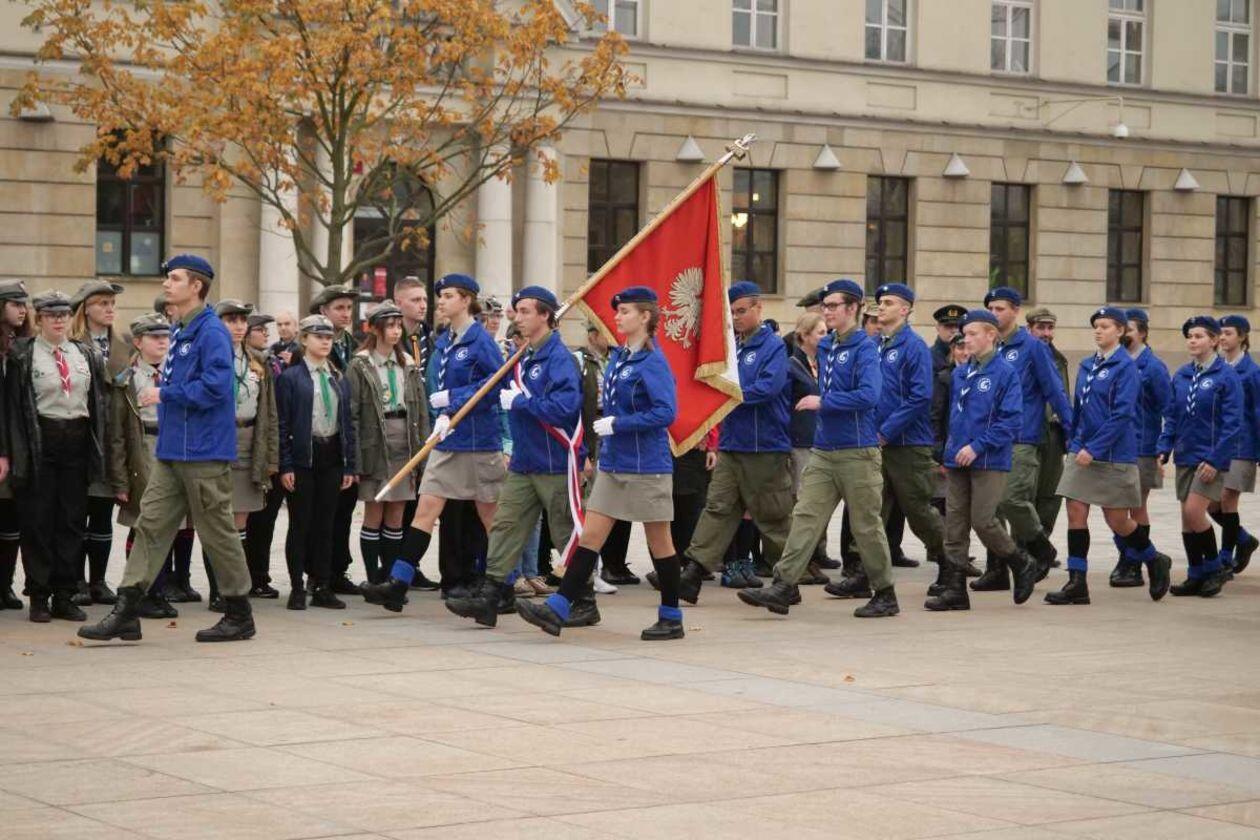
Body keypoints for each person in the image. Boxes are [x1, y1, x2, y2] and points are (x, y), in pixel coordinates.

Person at [79, 254, 258, 643]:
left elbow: (216, 387)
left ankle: (238, 612)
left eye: (174, 278)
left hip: (204, 451)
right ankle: (127, 610)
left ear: (196, 286)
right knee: (150, 526)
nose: (166, 283)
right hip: (173, 449)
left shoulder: (211, 332)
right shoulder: (182, 328)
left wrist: (165, 393)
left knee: (217, 532)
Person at [412, 286, 588, 626]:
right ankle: (493, 596)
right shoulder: (524, 355)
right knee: (505, 525)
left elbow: (565, 408)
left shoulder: (558, 358)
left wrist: (521, 403)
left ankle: (584, 599)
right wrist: (453, 403)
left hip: (554, 460)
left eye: (525, 311)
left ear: (545, 316)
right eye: (517, 311)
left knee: (565, 531)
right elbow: (490, 386)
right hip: (524, 460)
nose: (516, 317)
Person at [512, 286, 681, 640]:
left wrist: (620, 423)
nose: (617, 317)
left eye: (625, 311)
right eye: (618, 311)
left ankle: (671, 616)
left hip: (647, 466)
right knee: (590, 536)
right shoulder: (620, 358)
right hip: (615, 462)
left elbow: (666, 412)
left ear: (645, 317)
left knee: (660, 542)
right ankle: (559, 608)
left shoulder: (653, 362)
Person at [737, 278, 898, 619]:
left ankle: (885, 592)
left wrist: (823, 402)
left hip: (857, 450)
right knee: (805, 517)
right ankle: (784, 584)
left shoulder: (865, 348)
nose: (827, 311)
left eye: (833, 305)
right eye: (825, 306)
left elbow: (869, 395)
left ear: (853, 308)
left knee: (865, 525)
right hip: (824, 449)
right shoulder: (828, 346)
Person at [363, 274, 504, 592]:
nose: (440, 301)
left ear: (466, 300)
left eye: (448, 296)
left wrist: (454, 400)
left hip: (478, 441)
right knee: (426, 508)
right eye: (440, 295)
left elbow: (497, 384)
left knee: (489, 516)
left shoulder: (481, 341)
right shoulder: (444, 341)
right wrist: (442, 415)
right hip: (446, 438)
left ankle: (504, 584)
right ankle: (399, 583)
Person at [662, 281, 795, 605]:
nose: (736, 317)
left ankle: (788, 581)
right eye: (732, 312)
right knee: (717, 509)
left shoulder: (773, 347)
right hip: (733, 444)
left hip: (764, 445)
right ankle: (692, 574)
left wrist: (729, 395)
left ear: (759, 309)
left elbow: (768, 387)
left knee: (773, 516)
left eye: (742, 311)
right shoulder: (731, 347)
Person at [1043, 307, 1172, 606]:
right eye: (1096, 326)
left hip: (1113, 453)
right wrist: (1075, 442)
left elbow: (1122, 414)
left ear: (1120, 331)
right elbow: (1080, 408)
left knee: (1117, 520)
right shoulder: (1088, 364)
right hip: (1082, 450)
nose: (1098, 331)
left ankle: (1154, 559)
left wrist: (1094, 448)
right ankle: (1077, 582)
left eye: (1105, 326)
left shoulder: (1126, 367)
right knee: (1075, 511)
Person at [4, 290, 108, 623]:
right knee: (37, 522)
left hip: (77, 440)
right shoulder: (24, 355)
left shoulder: (83, 353)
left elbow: (96, 403)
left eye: (64, 314)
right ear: (40, 318)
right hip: (40, 441)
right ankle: (39, 595)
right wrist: (14, 454)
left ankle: (65, 594)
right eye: (51, 315)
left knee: (72, 522)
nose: (59, 320)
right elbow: (13, 410)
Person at [924, 309, 1034, 611]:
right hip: (957, 459)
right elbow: (954, 417)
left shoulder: (1004, 373)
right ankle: (956, 589)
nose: (966, 339)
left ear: (991, 335)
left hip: (988, 459)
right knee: (954, 525)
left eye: (973, 334)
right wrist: (947, 452)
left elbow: (1011, 421)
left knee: (983, 520)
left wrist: (977, 446)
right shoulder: (961, 372)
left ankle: (1020, 561)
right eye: (964, 334)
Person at [976, 286, 1072, 591]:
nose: (994, 314)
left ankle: (1040, 549)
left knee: (1012, 499)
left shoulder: (1032, 347)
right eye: (990, 308)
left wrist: (1073, 433)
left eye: (1000, 308)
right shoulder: (987, 346)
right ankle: (998, 570)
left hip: (1023, 435)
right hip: (990, 439)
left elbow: (1055, 390)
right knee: (991, 509)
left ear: (1016, 311)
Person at [866, 283, 948, 585]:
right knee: (872, 510)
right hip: (876, 442)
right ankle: (866, 572)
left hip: (908, 444)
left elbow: (919, 396)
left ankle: (951, 563)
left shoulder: (913, 346)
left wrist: (887, 431)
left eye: (888, 302)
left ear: (905, 309)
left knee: (918, 511)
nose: (881, 307)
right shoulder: (873, 344)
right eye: (880, 302)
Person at [1158, 316, 1243, 598]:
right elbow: (1172, 416)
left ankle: (1216, 568)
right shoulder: (1183, 375)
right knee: (1186, 518)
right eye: (1190, 336)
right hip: (1185, 454)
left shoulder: (1226, 376)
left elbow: (1233, 424)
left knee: (1195, 512)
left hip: (1210, 458)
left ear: (1214, 340)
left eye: (1199, 336)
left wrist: (1216, 460)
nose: (1192, 341)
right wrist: (1164, 448)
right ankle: (1195, 574)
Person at [276, 315, 357, 609]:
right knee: (300, 524)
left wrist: (349, 464)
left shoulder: (338, 377)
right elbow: (282, 424)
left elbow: (347, 422)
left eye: (328, 337)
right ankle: (297, 586)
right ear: (304, 340)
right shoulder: (291, 378)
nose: (325, 342)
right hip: (303, 456)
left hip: (331, 454)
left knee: (326, 524)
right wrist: (285, 464)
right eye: (318, 336)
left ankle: (322, 584)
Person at [108, 313, 185, 619]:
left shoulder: (177, 375)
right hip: (142, 452)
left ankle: (159, 589)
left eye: (166, 336)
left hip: (172, 449)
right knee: (142, 525)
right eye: (155, 337)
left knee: (168, 525)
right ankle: (139, 592)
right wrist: (119, 478)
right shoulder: (127, 379)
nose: (163, 342)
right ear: (138, 342)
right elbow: (117, 434)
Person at [203, 300, 279, 611]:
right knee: (217, 519)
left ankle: (236, 588)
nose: (237, 326)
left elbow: (269, 412)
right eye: (231, 320)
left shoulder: (257, 360)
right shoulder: (208, 356)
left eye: (242, 320)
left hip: (249, 439)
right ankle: (217, 590)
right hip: (218, 439)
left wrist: (271, 456)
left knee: (241, 519)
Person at [347, 301, 428, 585]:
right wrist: (355, 460)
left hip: (405, 440)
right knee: (374, 511)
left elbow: (420, 411)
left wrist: (422, 454)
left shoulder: (408, 363)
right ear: (374, 329)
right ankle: (372, 576)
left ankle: (391, 577)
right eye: (389, 326)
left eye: (398, 326)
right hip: (375, 444)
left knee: (397, 513)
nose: (395, 331)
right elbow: (353, 414)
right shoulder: (360, 364)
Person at [69, 279, 127, 606]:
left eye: (112, 303)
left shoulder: (123, 344)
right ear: (86, 308)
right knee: (77, 514)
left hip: (111, 440)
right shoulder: (74, 343)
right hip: (81, 437)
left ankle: (98, 581)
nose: (109, 309)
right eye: (102, 303)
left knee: (103, 514)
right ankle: (75, 580)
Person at [1110, 307, 1172, 588]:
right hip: (1116, 446)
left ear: (1143, 333)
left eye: (1130, 329)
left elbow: (1169, 408)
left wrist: (1164, 447)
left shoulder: (1154, 367)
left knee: (1136, 506)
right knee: (1115, 507)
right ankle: (1129, 555)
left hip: (1143, 447)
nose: (1124, 333)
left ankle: (1133, 563)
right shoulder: (1116, 362)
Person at [309, 284, 363, 595]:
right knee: (320, 513)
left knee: (344, 509)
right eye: (339, 308)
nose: (346, 314)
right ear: (323, 311)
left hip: (347, 437)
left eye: (348, 308)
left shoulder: (354, 346)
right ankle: (318, 573)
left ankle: (338, 569)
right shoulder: (312, 348)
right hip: (320, 438)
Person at [575, 321, 635, 585]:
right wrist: (582, 453)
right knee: (591, 505)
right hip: (591, 433)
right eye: (604, 330)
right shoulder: (580, 361)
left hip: (614, 433)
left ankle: (613, 564)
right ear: (592, 335)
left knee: (617, 503)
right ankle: (589, 571)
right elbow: (577, 408)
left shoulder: (619, 359)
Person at [1212, 315, 1260, 577]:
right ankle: (1243, 539)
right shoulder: (1217, 367)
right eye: (1220, 332)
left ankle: (1225, 558)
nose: (1222, 337)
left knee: (1227, 499)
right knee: (1209, 503)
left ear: (1242, 337)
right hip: (1217, 444)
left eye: (1228, 333)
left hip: (1242, 445)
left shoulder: (1252, 373)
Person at [245, 312, 288, 598]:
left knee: (265, 519)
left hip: (273, 446)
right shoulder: (249, 363)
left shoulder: (270, 361)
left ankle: (259, 575)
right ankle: (246, 577)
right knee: (247, 520)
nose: (266, 334)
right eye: (260, 329)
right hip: (250, 449)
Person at [1025, 307, 1071, 541]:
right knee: (1026, 491)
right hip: (1029, 431)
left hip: (1054, 433)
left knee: (1051, 492)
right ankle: (1025, 543)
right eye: (1040, 327)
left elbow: (1062, 395)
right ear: (1029, 329)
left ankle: (1042, 542)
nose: (1046, 333)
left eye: (1050, 328)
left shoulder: (1059, 359)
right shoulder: (1022, 355)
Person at [0, 280, 32, 611]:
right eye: (14, 304)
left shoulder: (24, 347)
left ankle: (5, 586)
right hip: (3, 444)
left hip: (20, 442)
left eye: (24, 304)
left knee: (11, 521)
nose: (22, 310)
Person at [930, 304, 966, 374]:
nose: (954, 330)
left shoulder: (971, 355)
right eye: (948, 326)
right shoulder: (928, 357)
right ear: (938, 327)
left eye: (958, 326)